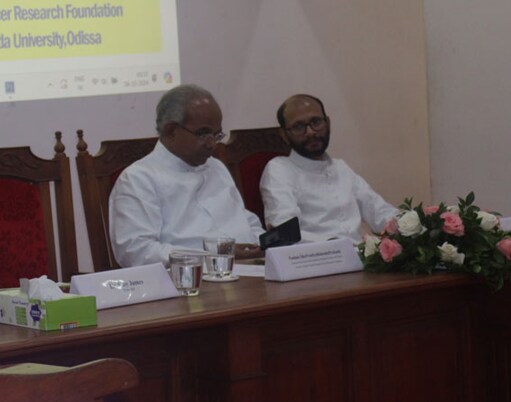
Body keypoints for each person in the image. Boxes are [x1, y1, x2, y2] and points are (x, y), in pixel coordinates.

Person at [109, 84, 264, 267]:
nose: (212, 144)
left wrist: (265, 242)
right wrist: (214, 255)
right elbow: (136, 252)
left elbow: (244, 220)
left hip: (251, 269)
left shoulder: (216, 167)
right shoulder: (138, 179)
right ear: (171, 130)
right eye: (203, 134)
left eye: (217, 135)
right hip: (191, 278)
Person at [261, 94, 398, 242]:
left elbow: (378, 210)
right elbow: (285, 233)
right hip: (315, 255)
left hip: (358, 252)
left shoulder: (341, 167)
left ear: (328, 124)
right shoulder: (279, 170)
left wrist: (411, 226)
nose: (310, 132)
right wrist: (339, 246)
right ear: (284, 135)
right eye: (298, 127)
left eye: (316, 122)